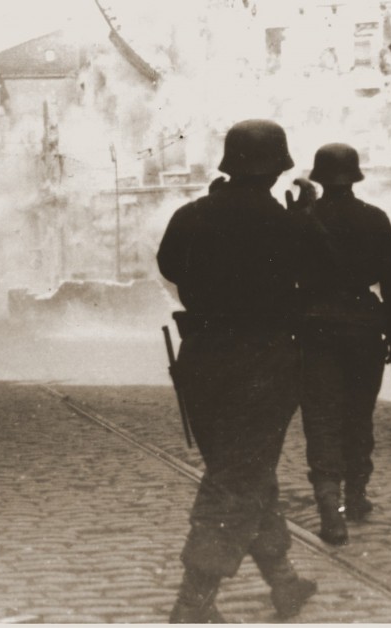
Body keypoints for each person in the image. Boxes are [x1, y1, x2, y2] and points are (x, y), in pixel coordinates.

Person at [157, 119, 327, 622]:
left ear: (229, 164)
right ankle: (193, 603)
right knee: (238, 477)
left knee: (245, 471)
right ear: (278, 168)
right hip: (264, 363)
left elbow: (170, 266)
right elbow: (323, 275)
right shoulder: (288, 224)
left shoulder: (191, 215)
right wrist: (306, 217)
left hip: (202, 359)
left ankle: (284, 582)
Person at [296, 143, 391, 545]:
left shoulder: (304, 220)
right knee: (359, 415)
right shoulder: (374, 218)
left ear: (320, 178)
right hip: (364, 328)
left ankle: (329, 505)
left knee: (321, 418)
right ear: (355, 177)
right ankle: (356, 496)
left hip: (315, 328)